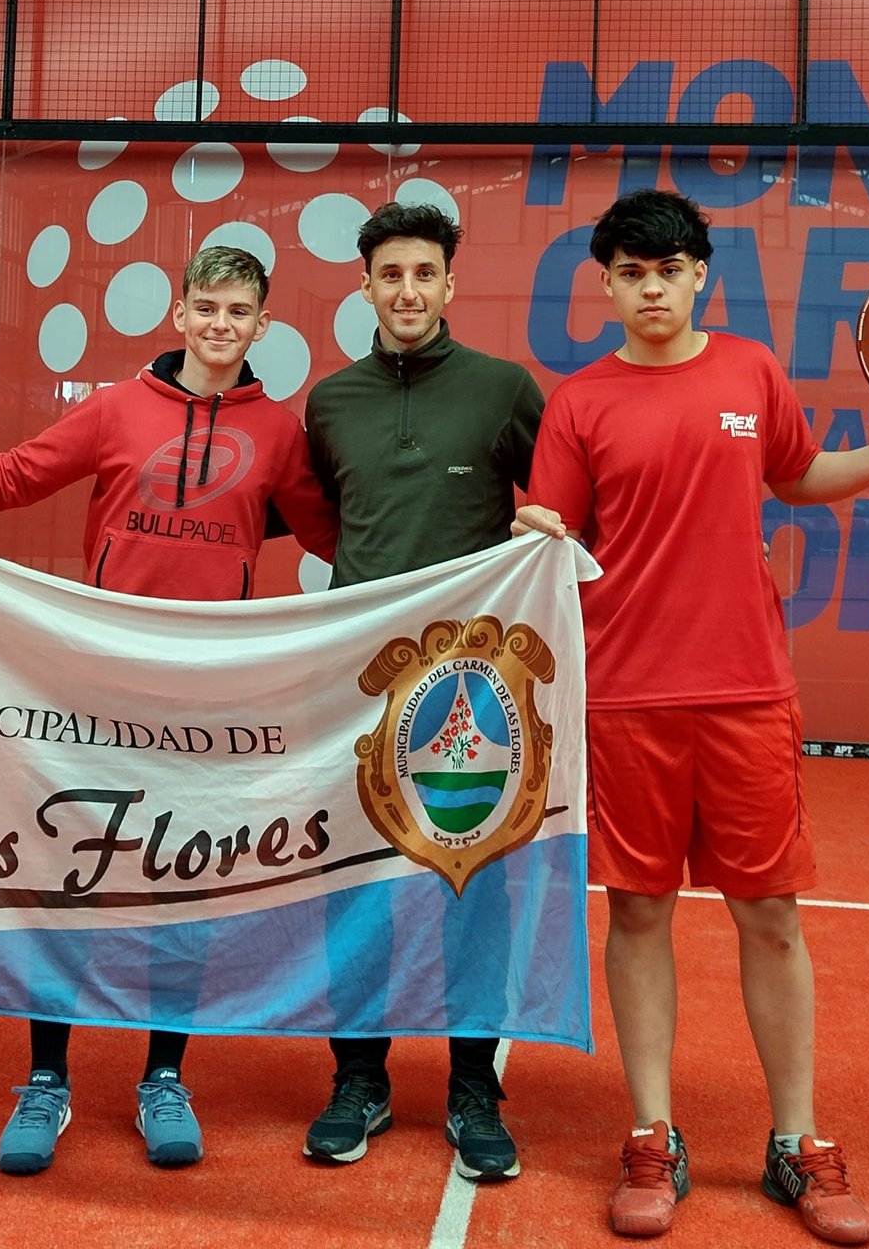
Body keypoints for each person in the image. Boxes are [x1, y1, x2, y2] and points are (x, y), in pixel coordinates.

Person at [515, 188, 869, 1244]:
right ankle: (651, 1135)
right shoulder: (578, 401)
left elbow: (798, 475)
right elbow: (553, 532)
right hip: (626, 696)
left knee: (770, 915)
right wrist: (533, 527)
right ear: (607, 285)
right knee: (638, 914)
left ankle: (796, 1142)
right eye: (632, 273)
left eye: (669, 271)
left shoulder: (751, 371)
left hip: (747, 691)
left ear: (700, 278)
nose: (652, 289)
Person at [0, 245, 336, 1177]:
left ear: (264, 325)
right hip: (95, 688)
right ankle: (47, 1079)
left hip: (206, 696)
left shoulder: (278, 432)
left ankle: (165, 1076)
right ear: (179, 314)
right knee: (68, 872)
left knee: (185, 881)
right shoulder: (115, 407)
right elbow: (11, 477)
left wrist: (483, 552)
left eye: (239, 311)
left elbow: (336, 535)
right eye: (207, 306)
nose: (221, 324)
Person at [301, 201, 545, 1182]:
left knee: (470, 889)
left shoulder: (504, 390)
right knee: (355, 888)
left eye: (424, 274)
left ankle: (473, 1088)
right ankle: (358, 1078)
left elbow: (563, 507)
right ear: (365, 286)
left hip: (472, 697)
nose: (407, 291)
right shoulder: (330, 403)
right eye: (390, 275)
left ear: (450, 284)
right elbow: (337, 520)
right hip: (357, 691)